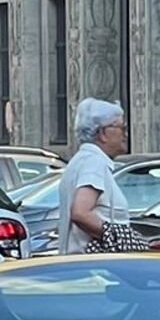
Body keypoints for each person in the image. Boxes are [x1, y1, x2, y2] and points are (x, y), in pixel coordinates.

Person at [58, 99, 128, 254]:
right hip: (94, 270)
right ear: (103, 133)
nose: (126, 134)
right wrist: (120, 238)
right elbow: (80, 212)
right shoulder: (94, 162)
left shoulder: (81, 160)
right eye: (122, 128)